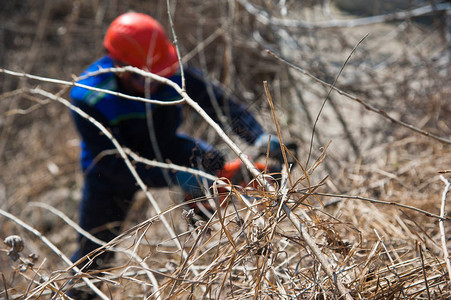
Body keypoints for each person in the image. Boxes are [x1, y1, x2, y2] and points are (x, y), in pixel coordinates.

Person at [69, 12, 280, 272]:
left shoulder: (167, 71)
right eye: (145, 78)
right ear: (121, 66)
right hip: (111, 173)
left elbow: (218, 103)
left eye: (162, 74)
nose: (155, 84)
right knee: (93, 256)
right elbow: (114, 165)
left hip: (166, 144)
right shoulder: (89, 97)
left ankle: (206, 233)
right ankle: (82, 290)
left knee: (210, 162)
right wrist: (175, 175)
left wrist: (256, 135)